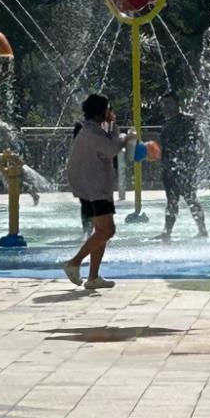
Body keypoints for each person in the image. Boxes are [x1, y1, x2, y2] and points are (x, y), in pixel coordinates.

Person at [61, 94, 126, 289]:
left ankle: (93, 277)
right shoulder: (91, 133)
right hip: (94, 189)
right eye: (108, 109)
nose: (111, 112)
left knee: (101, 232)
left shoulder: (92, 129)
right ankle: (74, 262)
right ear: (102, 111)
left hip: (94, 187)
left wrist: (114, 130)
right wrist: (122, 134)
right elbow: (112, 149)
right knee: (108, 230)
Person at [157, 92, 207, 241]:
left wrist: (192, 163)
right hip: (169, 168)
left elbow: (199, 142)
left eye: (169, 103)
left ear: (178, 104)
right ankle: (167, 232)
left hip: (184, 167)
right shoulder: (167, 122)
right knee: (171, 200)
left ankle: (202, 229)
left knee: (190, 198)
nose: (166, 107)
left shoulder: (187, 121)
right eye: (164, 104)